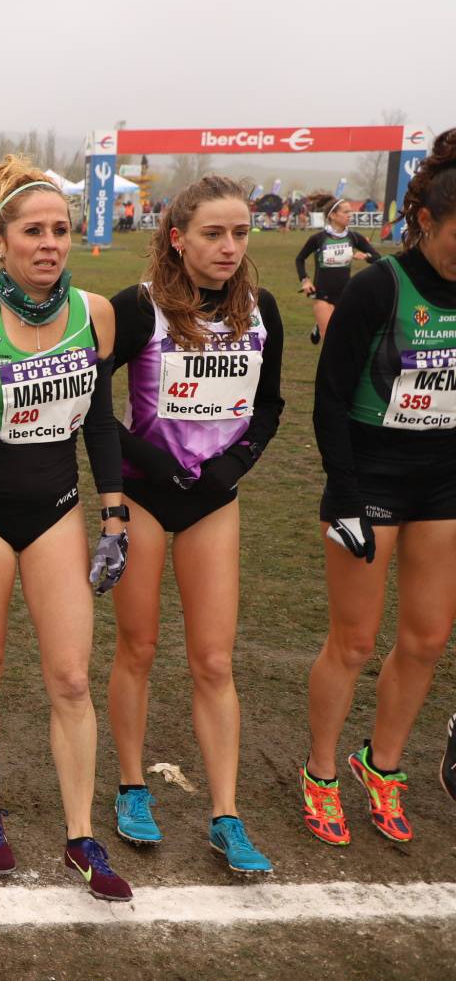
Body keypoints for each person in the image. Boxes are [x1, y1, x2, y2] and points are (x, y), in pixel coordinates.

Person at [0, 154, 132, 901]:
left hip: (56, 513)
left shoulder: (95, 314)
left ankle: (81, 835)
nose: (50, 243)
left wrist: (115, 513)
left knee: (72, 677)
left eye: (61, 230)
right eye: (33, 231)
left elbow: (101, 424)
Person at [105, 175, 286, 875]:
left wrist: (231, 465)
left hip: (214, 498)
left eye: (240, 232)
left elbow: (268, 408)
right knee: (139, 648)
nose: (229, 246)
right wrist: (151, 460)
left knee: (214, 659)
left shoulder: (262, 309)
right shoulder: (139, 306)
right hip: (149, 494)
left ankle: (226, 812)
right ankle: (131, 786)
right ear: (177, 238)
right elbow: (90, 398)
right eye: (213, 233)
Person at [302, 128, 456, 847]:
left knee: (426, 638)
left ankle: (382, 763)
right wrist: (343, 493)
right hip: (371, 477)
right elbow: (329, 398)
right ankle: (323, 770)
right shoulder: (376, 288)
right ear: (427, 221)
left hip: (444, 481)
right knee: (355, 641)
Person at [296, 198, 380, 345]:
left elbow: (377, 257)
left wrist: (365, 256)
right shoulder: (318, 238)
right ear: (333, 215)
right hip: (323, 295)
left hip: (346, 295)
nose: (350, 214)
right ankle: (321, 324)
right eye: (346, 211)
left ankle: (319, 325)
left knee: (346, 338)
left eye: (350, 211)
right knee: (330, 341)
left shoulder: (354, 237)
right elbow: (300, 259)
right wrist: (305, 280)